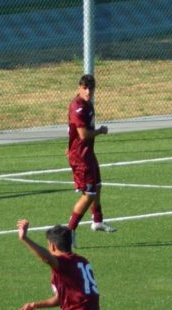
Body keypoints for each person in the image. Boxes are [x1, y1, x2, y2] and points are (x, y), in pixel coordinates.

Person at [66, 74, 116, 246]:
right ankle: (69, 231)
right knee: (89, 195)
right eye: (85, 88)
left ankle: (97, 220)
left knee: (98, 185)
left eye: (91, 88)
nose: (88, 91)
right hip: (80, 157)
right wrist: (100, 131)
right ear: (79, 88)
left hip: (87, 153)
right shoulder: (78, 107)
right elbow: (83, 134)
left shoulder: (87, 104)